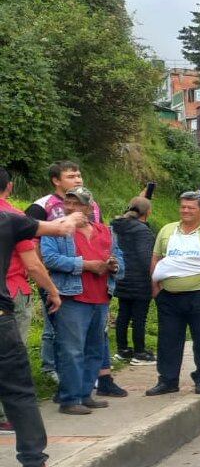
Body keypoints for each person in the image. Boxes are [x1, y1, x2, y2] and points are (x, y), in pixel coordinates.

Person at [0, 204, 86, 467]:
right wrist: (71, 217)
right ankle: (34, 464)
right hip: (1, 321)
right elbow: (60, 229)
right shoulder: (8, 220)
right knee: (19, 392)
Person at [41, 187, 126, 415]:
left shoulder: (105, 231)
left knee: (94, 348)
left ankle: (85, 394)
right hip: (72, 297)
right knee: (71, 349)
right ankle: (69, 398)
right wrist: (85, 265)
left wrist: (114, 266)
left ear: (89, 208)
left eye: (76, 203)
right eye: (67, 203)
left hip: (101, 296)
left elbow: (120, 260)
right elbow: (49, 258)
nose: (70, 207)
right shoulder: (55, 230)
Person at [146, 191, 200, 396]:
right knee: (168, 340)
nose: (185, 210)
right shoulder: (168, 230)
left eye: (190, 207)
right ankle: (167, 380)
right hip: (168, 297)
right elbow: (156, 258)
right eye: (183, 206)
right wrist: (155, 288)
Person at [0, 168, 63, 434]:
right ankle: (6, 415)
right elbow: (33, 264)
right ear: (10, 187)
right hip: (11, 293)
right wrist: (52, 290)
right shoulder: (13, 217)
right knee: (12, 358)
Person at [25, 160, 100, 379]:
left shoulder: (91, 204)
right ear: (56, 180)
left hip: (86, 274)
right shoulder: (42, 205)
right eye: (71, 176)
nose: (77, 179)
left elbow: (98, 232)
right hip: (53, 273)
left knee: (83, 327)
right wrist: (42, 271)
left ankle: (78, 372)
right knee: (53, 324)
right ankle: (50, 368)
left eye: (79, 175)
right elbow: (29, 240)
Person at [111, 197, 157, 363]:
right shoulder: (142, 231)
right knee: (139, 317)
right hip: (140, 279)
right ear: (148, 212)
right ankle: (139, 351)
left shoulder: (117, 226)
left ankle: (122, 349)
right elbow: (146, 257)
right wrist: (155, 275)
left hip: (121, 275)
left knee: (123, 314)